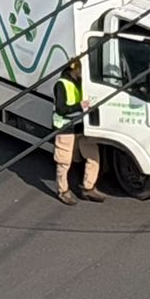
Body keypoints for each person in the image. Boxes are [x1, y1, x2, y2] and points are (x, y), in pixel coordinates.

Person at [51, 57, 105, 205]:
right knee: (64, 162)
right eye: (83, 69)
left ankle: (88, 187)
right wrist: (80, 106)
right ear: (74, 68)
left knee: (93, 156)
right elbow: (61, 110)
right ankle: (63, 191)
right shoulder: (61, 85)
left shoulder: (83, 83)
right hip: (65, 128)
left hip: (82, 127)